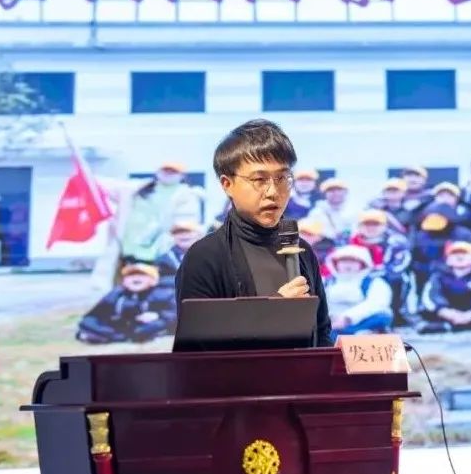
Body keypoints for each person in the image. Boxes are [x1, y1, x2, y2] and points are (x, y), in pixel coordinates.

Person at [174, 119, 332, 347]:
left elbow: (322, 334)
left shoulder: (302, 251)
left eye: (282, 178)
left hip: (302, 381)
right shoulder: (204, 257)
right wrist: (274, 312)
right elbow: (196, 350)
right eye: (259, 179)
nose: (273, 192)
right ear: (227, 184)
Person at [91, 162, 203, 290]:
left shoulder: (187, 195)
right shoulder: (139, 187)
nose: (168, 173)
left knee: (154, 294)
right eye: (165, 170)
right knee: (123, 292)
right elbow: (105, 186)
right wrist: (87, 175)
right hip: (127, 254)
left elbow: (185, 227)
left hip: (157, 257)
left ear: (181, 175)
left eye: (173, 171)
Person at [77, 262, 177, 344]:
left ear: (153, 281)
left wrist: (157, 316)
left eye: (142, 275)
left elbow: (174, 316)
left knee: (151, 328)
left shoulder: (165, 294)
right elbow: (92, 316)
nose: (136, 278)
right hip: (120, 328)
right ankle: (117, 337)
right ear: (124, 281)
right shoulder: (115, 295)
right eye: (131, 275)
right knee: (86, 324)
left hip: (150, 326)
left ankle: (113, 337)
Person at [418, 241, 471, 333]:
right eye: (454, 253)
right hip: (448, 311)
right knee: (426, 310)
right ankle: (448, 325)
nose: (459, 256)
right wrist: (444, 311)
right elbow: (430, 294)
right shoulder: (438, 274)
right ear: (448, 260)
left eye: (465, 253)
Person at [348, 209, 412, 324]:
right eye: (367, 224)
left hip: (385, 275)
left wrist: (374, 274)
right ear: (359, 226)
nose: (371, 228)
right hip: (354, 276)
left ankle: (397, 313)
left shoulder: (397, 242)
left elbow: (400, 265)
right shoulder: (348, 241)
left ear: (384, 226)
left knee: (400, 278)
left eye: (375, 224)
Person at [324, 245, 394, 336]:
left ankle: (358, 333)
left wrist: (347, 318)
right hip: (331, 323)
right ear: (335, 264)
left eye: (353, 261)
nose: (348, 265)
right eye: (343, 261)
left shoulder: (375, 282)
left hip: (360, 322)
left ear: (363, 264)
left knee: (383, 315)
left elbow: (376, 303)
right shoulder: (325, 282)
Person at [411, 210, 471, 294]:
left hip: (459, 276)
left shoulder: (464, 236)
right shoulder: (421, 237)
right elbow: (415, 259)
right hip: (427, 276)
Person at [309, 178, 357, 243]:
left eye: (339, 190)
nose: (335, 193)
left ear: (346, 192)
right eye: (331, 190)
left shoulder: (355, 211)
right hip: (324, 247)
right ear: (324, 194)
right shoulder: (316, 213)